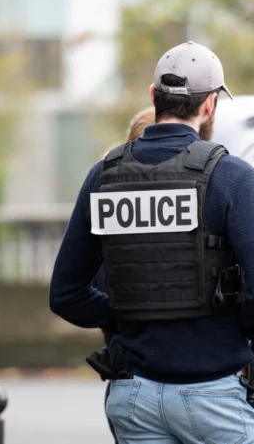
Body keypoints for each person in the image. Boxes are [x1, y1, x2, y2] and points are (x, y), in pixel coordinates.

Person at [50, 41, 254, 444]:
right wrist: (221, 327)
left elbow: (66, 294)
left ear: (154, 96)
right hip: (214, 393)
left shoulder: (102, 176)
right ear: (210, 105)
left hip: (133, 397)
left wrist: (128, 313)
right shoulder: (232, 176)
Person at [94, 106, 156, 444]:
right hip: (183, 378)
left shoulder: (107, 195)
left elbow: (74, 293)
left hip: (126, 377)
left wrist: (123, 314)